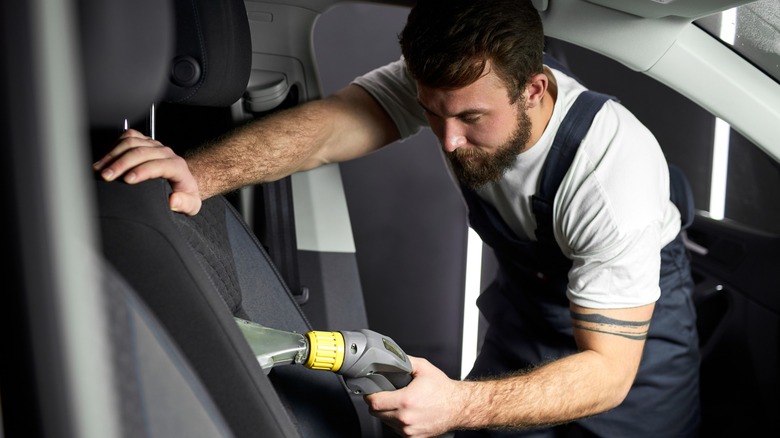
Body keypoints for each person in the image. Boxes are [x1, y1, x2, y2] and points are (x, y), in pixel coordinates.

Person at [93, 0, 700, 436]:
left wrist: (460, 404)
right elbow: (329, 129)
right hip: (530, 312)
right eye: (433, 113)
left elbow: (608, 374)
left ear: (536, 90)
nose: (449, 141)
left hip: (631, 351)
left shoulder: (614, 179)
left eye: (471, 120)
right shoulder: (458, 87)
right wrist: (199, 175)